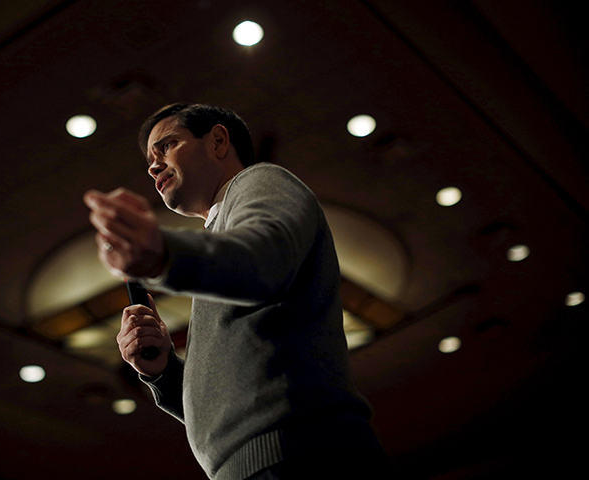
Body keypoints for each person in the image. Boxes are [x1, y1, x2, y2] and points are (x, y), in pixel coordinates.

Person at [83, 104, 386, 479]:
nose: (153, 165)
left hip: (299, 458)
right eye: (150, 158)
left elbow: (266, 259)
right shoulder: (220, 241)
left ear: (219, 141)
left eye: (167, 145)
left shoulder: (261, 180)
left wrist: (162, 254)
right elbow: (226, 409)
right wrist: (162, 371)